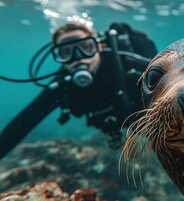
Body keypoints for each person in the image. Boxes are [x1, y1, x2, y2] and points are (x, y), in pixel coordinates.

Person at [0, 21, 158, 160]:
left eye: (85, 48)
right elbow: (22, 124)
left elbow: (173, 74)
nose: (78, 58)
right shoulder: (62, 86)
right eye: (67, 52)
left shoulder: (124, 63)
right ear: (59, 57)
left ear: (98, 47)